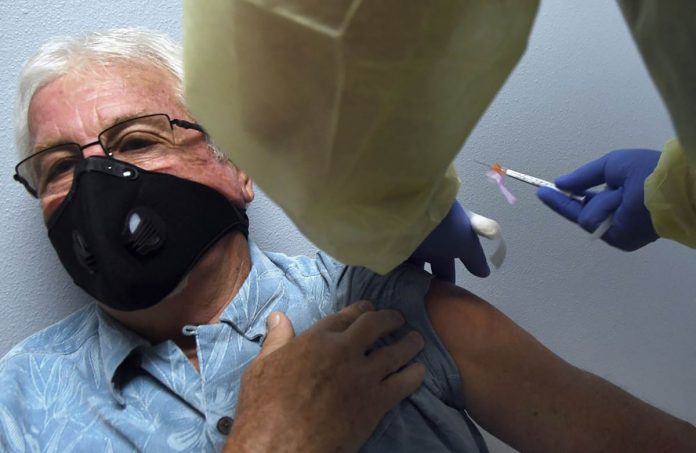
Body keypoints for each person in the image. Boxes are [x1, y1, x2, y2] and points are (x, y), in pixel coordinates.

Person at [3, 28, 695, 452]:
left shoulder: (383, 303)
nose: (98, 184)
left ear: (240, 163)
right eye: (60, 166)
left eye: (136, 139)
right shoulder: (20, 400)